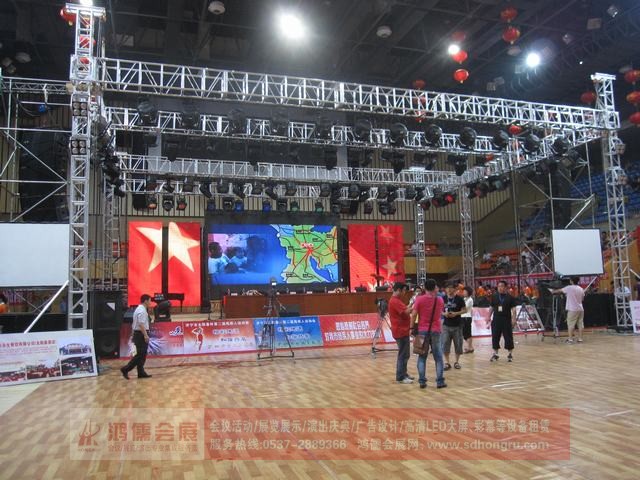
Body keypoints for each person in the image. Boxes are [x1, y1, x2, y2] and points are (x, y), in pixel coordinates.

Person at [411, 279, 446, 389]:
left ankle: (422, 381)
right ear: (435, 287)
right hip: (436, 330)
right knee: (438, 357)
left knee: (422, 356)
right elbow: (440, 313)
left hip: (422, 330)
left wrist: (411, 328)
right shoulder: (440, 300)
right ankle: (440, 381)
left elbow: (414, 314)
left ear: (424, 287)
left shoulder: (419, 299)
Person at [120, 294, 153, 379]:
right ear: (145, 301)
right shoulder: (142, 311)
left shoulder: (139, 309)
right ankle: (125, 369)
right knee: (140, 355)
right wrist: (145, 335)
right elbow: (141, 324)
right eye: (150, 300)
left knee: (142, 354)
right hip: (140, 334)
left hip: (138, 333)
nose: (150, 302)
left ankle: (141, 372)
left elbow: (135, 323)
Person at [389, 282, 413, 384]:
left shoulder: (397, 300)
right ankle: (400, 377)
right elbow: (406, 312)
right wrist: (416, 306)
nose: (404, 293)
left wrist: (411, 305)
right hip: (400, 331)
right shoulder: (395, 301)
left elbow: (405, 309)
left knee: (405, 354)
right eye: (404, 291)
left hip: (402, 330)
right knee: (403, 354)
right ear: (399, 290)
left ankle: (404, 373)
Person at [488, 280, 517, 362]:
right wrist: (488, 317)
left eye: (502, 286)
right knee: (495, 336)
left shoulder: (510, 297)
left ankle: (510, 354)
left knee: (508, 336)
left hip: (506, 319)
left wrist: (514, 319)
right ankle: (495, 354)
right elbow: (491, 307)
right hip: (496, 319)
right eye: (499, 286)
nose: (500, 288)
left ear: (506, 287)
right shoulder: (494, 296)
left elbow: (514, 309)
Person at [441, 282, 466, 371]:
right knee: (445, 343)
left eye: (451, 288)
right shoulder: (443, 298)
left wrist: (456, 313)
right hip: (446, 325)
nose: (449, 289)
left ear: (455, 289)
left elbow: (465, 310)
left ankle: (456, 362)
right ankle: (447, 362)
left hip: (457, 325)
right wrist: (444, 314)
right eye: (447, 288)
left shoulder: (459, 299)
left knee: (458, 344)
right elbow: (439, 310)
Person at [552, 277, 585, 343]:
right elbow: (582, 299)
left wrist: (552, 291)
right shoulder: (581, 289)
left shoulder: (569, 288)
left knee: (570, 324)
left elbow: (559, 291)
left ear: (571, 281)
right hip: (580, 309)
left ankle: (570, 339)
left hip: (572, 309)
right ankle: (580, 339)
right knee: (580, 324)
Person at [461, 286, 474, 353]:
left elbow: (464, 308)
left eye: (465, 291)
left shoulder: (470, 300)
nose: (463, 292)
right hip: (462, 317)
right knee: (464, 333)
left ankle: (469, 347)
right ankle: (470, 347)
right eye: (463, 291)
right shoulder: (464, 299)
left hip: (467, 317)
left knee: (468, 333)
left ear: (468, 292)